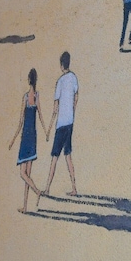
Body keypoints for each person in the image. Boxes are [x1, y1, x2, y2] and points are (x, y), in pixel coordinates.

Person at [8, 68, 48, 213]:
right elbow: (41, 115)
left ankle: (37, 191)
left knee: (22, 174)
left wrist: (13, 140)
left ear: (28, 80)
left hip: (25, 137)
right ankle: (25, 207)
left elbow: (20, 122)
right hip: (33, 137)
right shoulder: (36, 96)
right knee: (27, 174)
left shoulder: (25, 97)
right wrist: (46, 131)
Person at [44, 52, 79, 197]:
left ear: (61, 65)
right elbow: (76, 98)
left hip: (61, 124)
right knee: (68, 155)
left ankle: (47, 189)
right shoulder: (73, 78)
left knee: (54, 157)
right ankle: (74, 188)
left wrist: (48, 129)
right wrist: (72, 112)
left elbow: (55, 110)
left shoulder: (60, 82)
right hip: (70, 122)